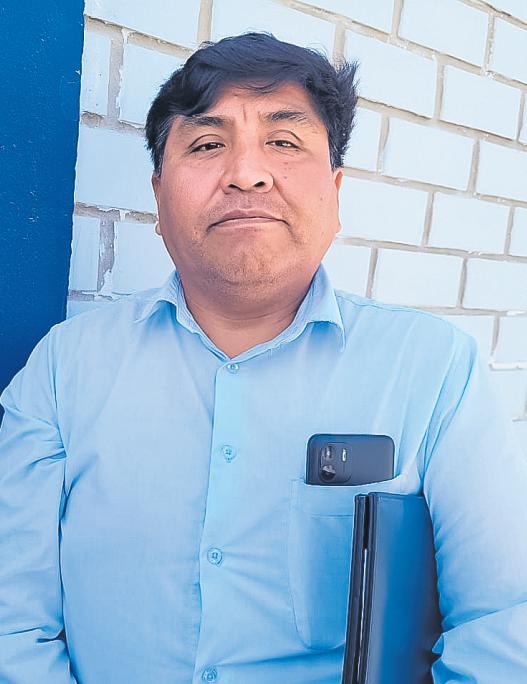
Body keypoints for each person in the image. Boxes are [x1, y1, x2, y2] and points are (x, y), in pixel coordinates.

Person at [1, 31, 526, 684]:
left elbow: (502, 623)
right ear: (158, 197)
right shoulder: (65, 367)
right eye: (206, 144)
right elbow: (10, 622)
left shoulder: (433, 368)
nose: (246, 173)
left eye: (283, 141)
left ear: (335, 191)